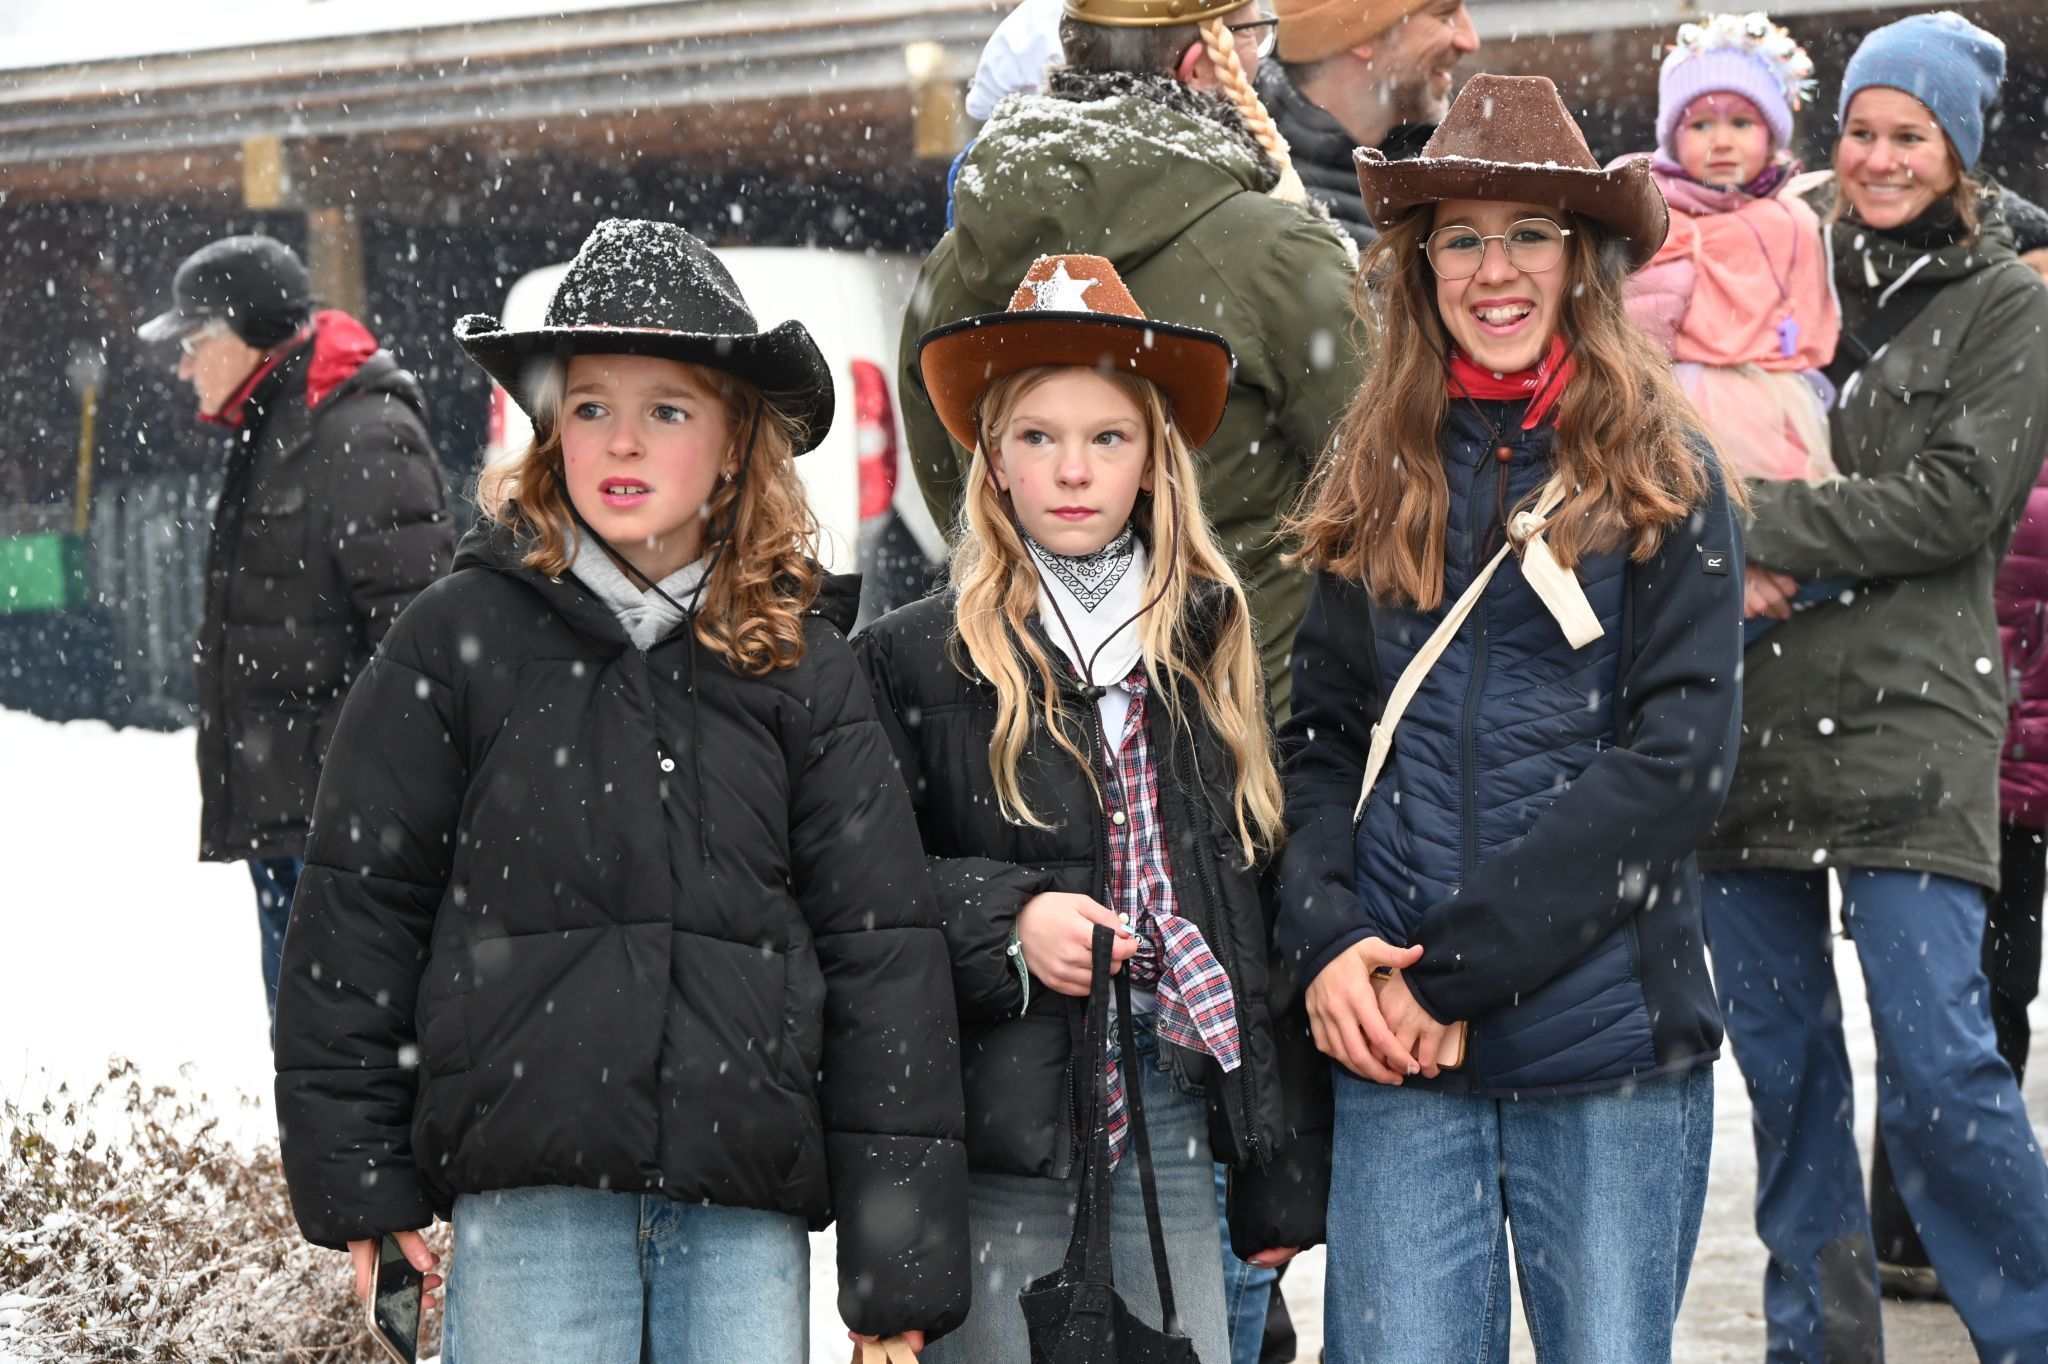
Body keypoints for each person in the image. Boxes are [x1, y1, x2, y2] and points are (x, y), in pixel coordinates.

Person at [272, 220, 970, 1363]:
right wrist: (360, 1173)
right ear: (549, 432)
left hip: (740, 1213)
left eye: (668, 408)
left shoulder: (799, 666)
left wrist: (895, 1261)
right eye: (590, 404)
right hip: (531, 1203)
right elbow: (359, 909)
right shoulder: (456, 640)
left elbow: (880, 951)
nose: (621, 439)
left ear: (739, 443)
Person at [1277, 74, 1744, 1362]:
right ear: (1421, 267)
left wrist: (1463, 970)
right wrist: (1323, 936)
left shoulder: (1667, 473)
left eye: (1527, 233)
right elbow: (1318, 732)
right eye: (1461, 236)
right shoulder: (1371, 469)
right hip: (1396, 1049)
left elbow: (1676, 768)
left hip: (1603, 1054)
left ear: (1580, 260)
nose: (1494, 268)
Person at [860, 253, 1326, 1364]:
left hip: (1177, 1117)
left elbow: (1249, 896)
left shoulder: (1208, 646)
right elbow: (862, 899)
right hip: (1000, 1130)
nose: (1073, 468)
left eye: (1107, 437)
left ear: (1154, 462)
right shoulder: (910, 658)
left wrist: (1276, 1177)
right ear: (992, 462)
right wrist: (1007, 923)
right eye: (1037, 436)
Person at [1699, 12, 2048, 1361]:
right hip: (1755, 715)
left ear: (1960, 149)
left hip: (1917, 721)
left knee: (1944, 1069)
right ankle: (1819, 1341)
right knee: (1784, 1080)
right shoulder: (1766, 257)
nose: (1879, 157)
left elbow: (1960, 505)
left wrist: (1761, 536)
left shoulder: (2009, 300)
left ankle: (2025, 1325)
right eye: (1860, 129)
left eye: (1911, 133)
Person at [903, 0, 1362, 714]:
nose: (1262, 58)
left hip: (1031, 745)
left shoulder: (949, 268)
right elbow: (1383, 486)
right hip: (1250, 755)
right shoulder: (1277, 257)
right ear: (1201, 63)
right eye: (1251, 34)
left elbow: (957, 504)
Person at [137, 233, 451, 1032]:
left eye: (195, 343)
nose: (183, 366)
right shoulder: (279, 424)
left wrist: (374, 814)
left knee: (349, 1065)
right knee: (311, 1061)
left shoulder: (356, 433)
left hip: (343, 835)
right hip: (294, 819)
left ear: (245, 336)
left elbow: (420, 643)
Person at [1869, 449, 2048, 1302]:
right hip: (1986, 782)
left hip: (1965, 774)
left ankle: (1908, 1227)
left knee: (1941, 1003)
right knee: (1979, 1005)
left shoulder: (1974, 463)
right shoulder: (2006, 473)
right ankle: (1951, 1229)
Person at [1622, 12, 1848, 643]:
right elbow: (1635, 325)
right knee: (1703, 500)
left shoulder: (1792, 217)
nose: (1721, 140)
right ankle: (1729, 588)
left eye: (1742, 123)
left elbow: (1801, 312)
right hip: (1685, 391)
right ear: (1672, 136)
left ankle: (1757, 585)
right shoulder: (1651, 213)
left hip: (1773, 387)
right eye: (1700, 124)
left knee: (1783, 506)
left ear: (1773, 136)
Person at [1256, 0, 1480, 247]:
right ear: (1363, 36)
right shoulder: (1259, 196)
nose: (1470, 41)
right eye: (1445, 15)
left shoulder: (1449, 171)